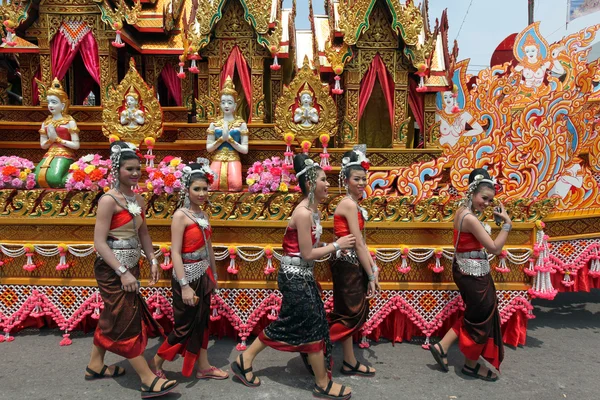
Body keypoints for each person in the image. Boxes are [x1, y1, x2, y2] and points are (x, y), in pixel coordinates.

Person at [230, 154, 355, 400]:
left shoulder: (311, 210)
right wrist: (337, 245)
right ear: (310, 185)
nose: (327, 184)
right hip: (295, 276)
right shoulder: (304, 213)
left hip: (301, 275)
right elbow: (308, 252)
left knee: (299, 323)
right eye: (323, 180)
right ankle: (322, 383)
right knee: (313, 327)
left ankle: (245, 360)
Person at [86, 141, 178, 398]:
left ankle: (95, 365)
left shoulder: (138, 199)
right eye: (129, 169)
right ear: (116, 171)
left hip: (132, 264)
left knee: (114, 313)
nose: (136, 173)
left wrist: (152, 259)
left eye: (138, 168)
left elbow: (143, 232)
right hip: (111, 268)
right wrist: (122, 272)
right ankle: (147, 378)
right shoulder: (108, 200)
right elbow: (99, 243)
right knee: (125, 319)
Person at [429, 168, 511, 382]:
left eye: (490, 200)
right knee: (481, 318)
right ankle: (470, 366)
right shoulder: (471, 218)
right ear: (473, 193)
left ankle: (442, 346)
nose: (486, 203)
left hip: (469, 270)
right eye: (484, 198)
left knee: (477, 314)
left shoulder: (463, 211)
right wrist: (507, 226)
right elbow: (494, 248)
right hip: (473, 273)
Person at [150, 159, 228, 380]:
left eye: (205, 189)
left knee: (202, 323)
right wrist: (184, 286)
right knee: (184, 326)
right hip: (186, 276)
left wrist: (213, 274)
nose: (202, 193)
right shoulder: (180, 216)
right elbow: (175, 252)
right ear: (187, 190)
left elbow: (209, 247)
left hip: (203, 273)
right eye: (197, 189)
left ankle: (203, 366)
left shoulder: (203, 215)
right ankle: (156, 361)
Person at [327, 148, 380, 377]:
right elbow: (357, 243)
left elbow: (362, 242)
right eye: (356, 179)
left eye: (364, 179)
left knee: (347, 311)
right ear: (345, 180)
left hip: (351, 262)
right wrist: (370, 275)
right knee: (350, 313)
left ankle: (349, 361)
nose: (361, 183)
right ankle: (315, 342)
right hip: (346, 263)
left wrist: (373, 269)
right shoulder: (348, 204)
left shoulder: (354, 204)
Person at [34, 78, 80, 188]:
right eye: (49, 102)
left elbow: (76, 145)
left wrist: (58, 140)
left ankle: (77, 180)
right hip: (49, 153)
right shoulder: (46, 123)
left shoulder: (69, 122)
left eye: (54, 102)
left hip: (65, 153)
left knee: (54, 178)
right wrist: (51, 140)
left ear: (63, 105)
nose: (50, 105)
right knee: (36, 178)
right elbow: (43, 145)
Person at [206, 76, 249, 192]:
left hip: (233, 156)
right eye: (223, 102)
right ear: (219, 104)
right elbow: (209, 148)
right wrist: (221, 140)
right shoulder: (214, 124)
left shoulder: (241, 124)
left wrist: (229, 140)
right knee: (212, 185)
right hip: (218, 156)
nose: (226, 106)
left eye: (229, 103)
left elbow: (245, 150)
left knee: (236, 185)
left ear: (235, 105)